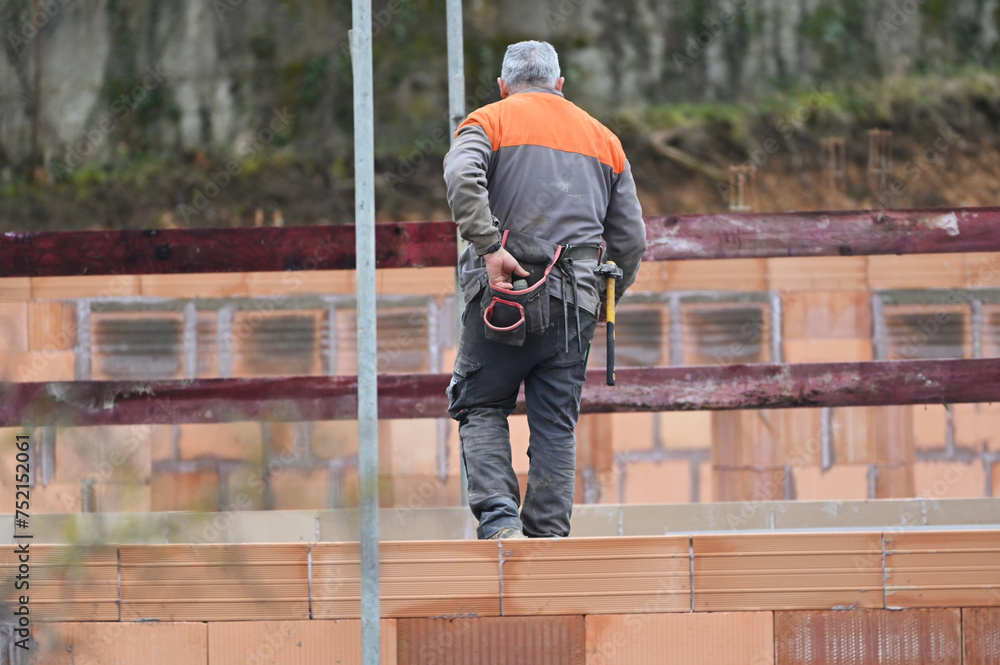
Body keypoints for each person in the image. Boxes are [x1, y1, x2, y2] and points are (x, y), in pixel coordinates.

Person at [443, 40, 646, 540]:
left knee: (482, 404)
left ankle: (500, 524)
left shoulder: (487, 121)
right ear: (560, 85)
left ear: (503, 85)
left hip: (502, 296)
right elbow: (631, 240)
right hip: (574, 302)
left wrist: (490, 248)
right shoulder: (604, 140)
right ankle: (549, 539)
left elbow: (459, 176)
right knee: (555, 424)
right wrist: (602, 303)